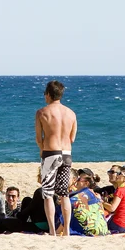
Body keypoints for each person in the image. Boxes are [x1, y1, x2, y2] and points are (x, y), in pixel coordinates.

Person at [35, 80, 77, 236]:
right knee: (64, 193)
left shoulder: (42, 112)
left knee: (48, 194)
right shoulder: (71, 113)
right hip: (66, 153)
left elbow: (39, 138)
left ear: (48, 94)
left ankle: (52, 230)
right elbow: (72, 138)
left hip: (50, 153)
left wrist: (41, 150)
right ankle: (66, 230)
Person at [59, 170, 109, 236]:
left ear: (86, 183)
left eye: (79, 179)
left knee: (68, 209)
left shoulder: (82, 195)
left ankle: (59, 230)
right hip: (102, 231)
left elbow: (66, 207)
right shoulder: (93, 194)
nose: (76, 181)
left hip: (89, 232)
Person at [102, 166, 125, 234]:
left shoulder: (120, 190)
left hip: (120, 224)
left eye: (120, 174)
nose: (117, 175)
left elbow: (112, 208)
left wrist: (101, 201)